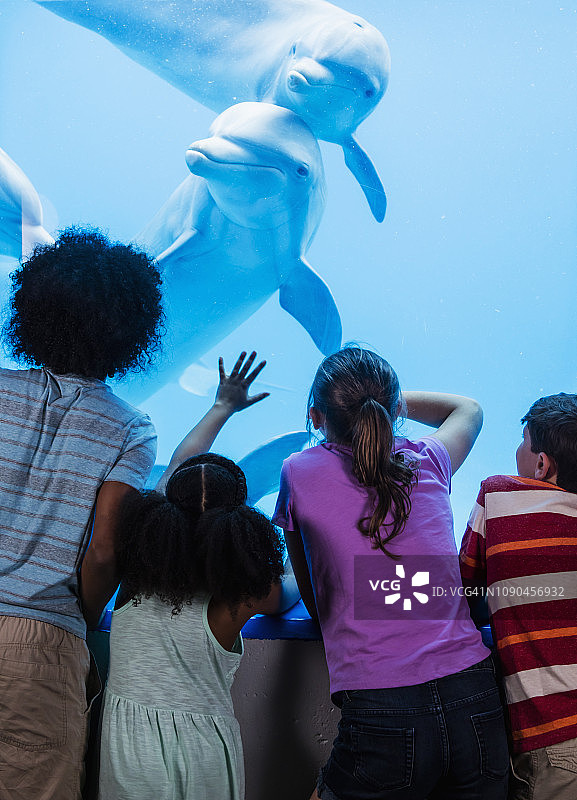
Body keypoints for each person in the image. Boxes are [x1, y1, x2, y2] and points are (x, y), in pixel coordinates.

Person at [273, 346, 510, 800]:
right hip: (475, 693)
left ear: (315, 416)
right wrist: (388, 400)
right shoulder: (429, 459)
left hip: (381, 706)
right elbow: (469, 410)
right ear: (395, 408)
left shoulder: (298, 473)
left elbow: (307, 575)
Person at [0, 226, 163, 800]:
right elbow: (104, 550)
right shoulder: (129, 428)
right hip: (42, 643)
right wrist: (81, 617)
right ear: (131, 333)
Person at [97, 351, 299, 800]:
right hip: (204, 749)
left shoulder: (133, 577)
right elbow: (287, 594)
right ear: (237, 524)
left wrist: (221, 405)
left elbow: (176, 467)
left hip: (132, 749)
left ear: (164, 513)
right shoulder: (241, 596)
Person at [459, 394, 577, 800]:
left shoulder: (499, 496)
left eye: (522, 441)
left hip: (556, 736)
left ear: (542, 464)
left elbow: (464, 598)